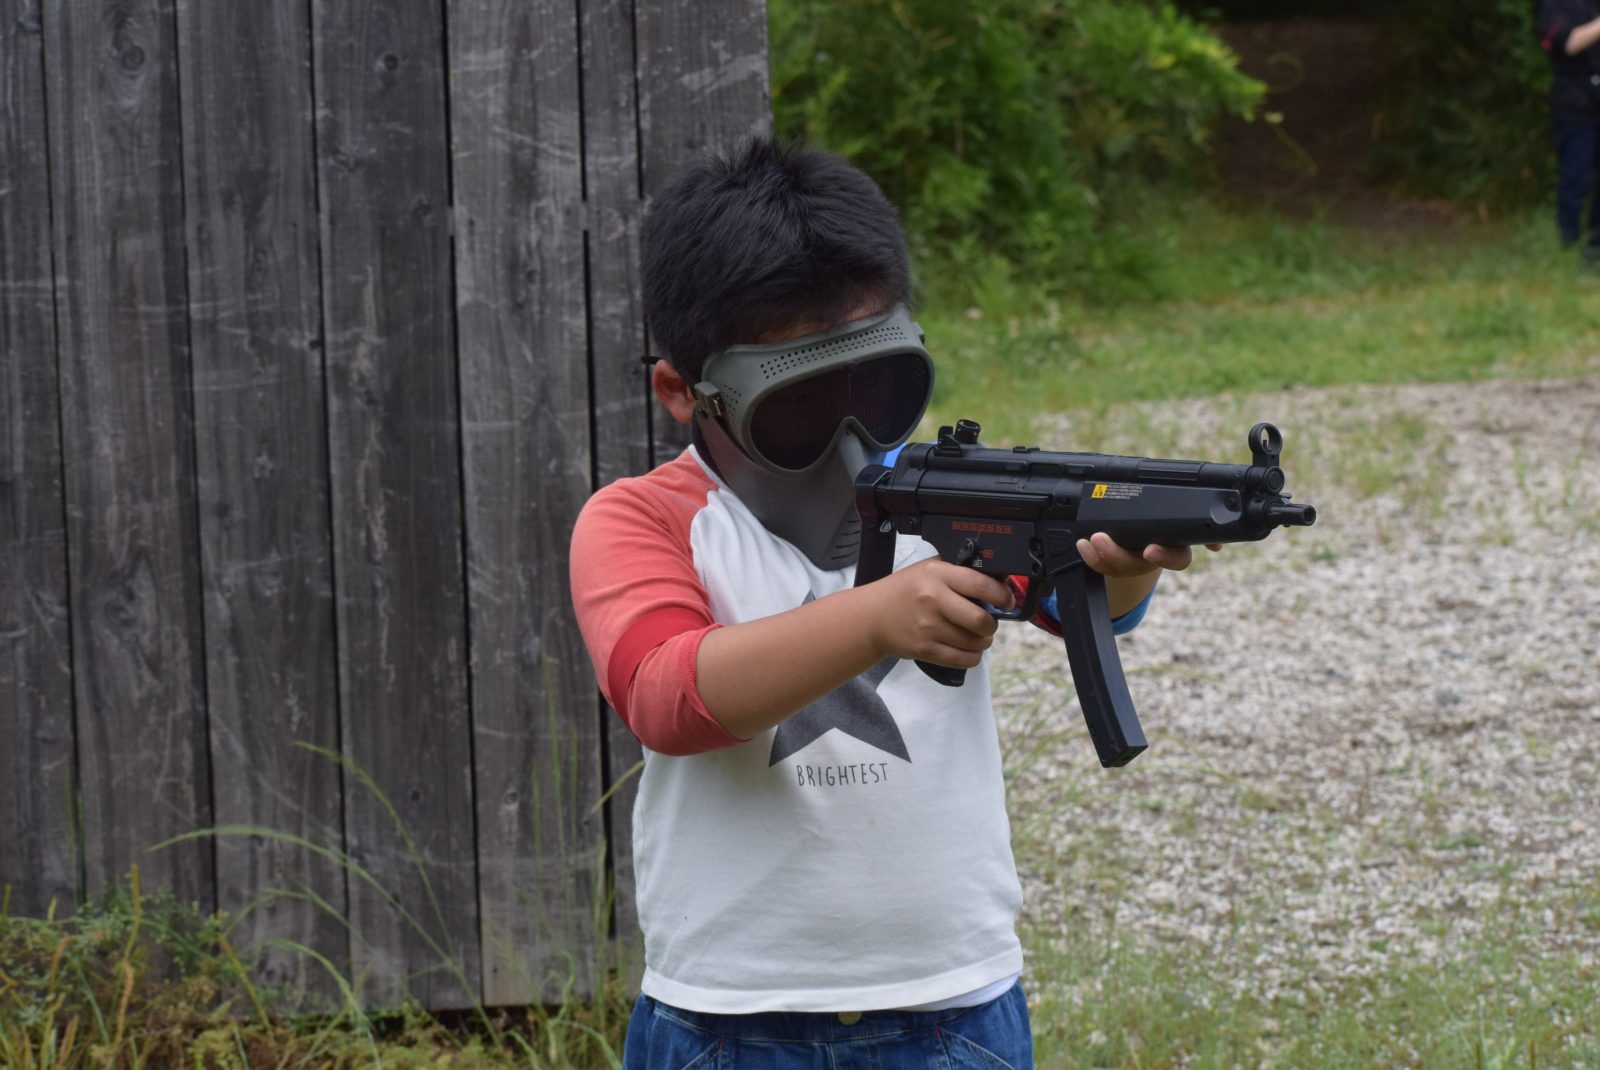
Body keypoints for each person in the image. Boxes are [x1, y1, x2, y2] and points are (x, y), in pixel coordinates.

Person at [569, 137, 1206, 1069]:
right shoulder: (643, 520)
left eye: (877, 387)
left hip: (950, 1005)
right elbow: (664, 696)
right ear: (681, 392)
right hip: (728, 1016)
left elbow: (1094, 605)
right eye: (798, 404)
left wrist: (1128, 560)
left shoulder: (950, 496)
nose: (852, 431)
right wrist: (876, 618)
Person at [1537, 0, 1600, 267]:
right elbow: (1568, 43)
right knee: (1576, 178)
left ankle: (1595, 250)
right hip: (1575, 107)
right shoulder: (1553, 5)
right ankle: (1568, 247)